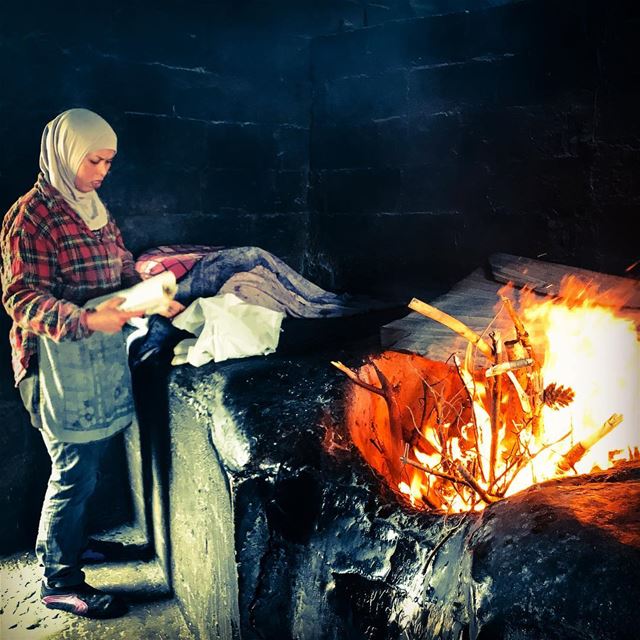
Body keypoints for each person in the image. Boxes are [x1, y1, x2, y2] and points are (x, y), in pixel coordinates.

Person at [0, 108, 183, 618]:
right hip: (54, 365)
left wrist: (148, 293)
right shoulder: (31, 217)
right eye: (94, 160)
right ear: (64, 154)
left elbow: (121, 264)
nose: (102, 171)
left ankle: (72, 545)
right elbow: (22, 300)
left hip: (96, 359)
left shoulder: (93, 208)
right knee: (73, 471)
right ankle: (59, 579)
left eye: (109, 161)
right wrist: (86, 320)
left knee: (88, 464)